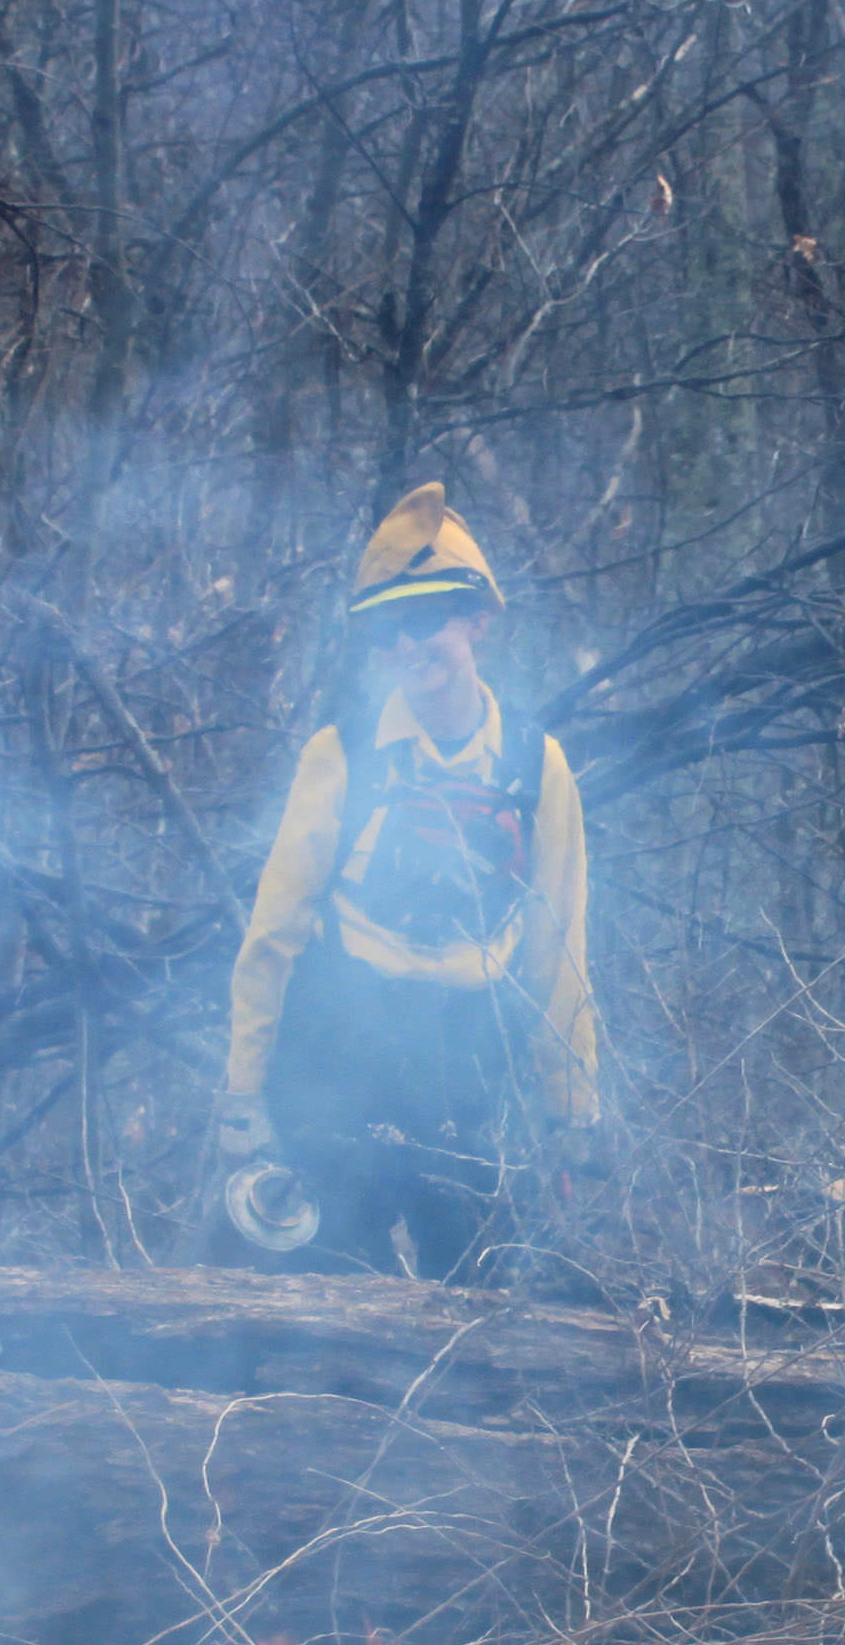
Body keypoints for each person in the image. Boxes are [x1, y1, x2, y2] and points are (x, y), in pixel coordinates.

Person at [213, 484, 598, 1275]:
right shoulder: (341, 755)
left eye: (424, 620)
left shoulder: (537, 767)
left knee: (475, 1297)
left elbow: (559, 951)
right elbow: (274, 934)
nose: (407, 647)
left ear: (478, 619)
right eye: (387, 630)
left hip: (466, 1066)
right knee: (312, 1289)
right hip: (339, 1056)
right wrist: (243, 1098)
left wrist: (572, 1118)